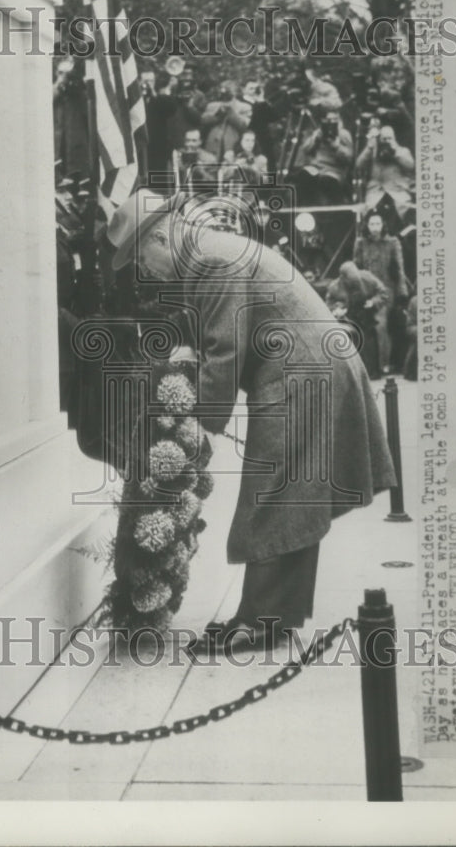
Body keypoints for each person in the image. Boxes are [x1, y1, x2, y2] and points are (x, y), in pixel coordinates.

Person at [106, 190, 396, 653]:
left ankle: (260, 621)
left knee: (274, 493)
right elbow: (221, 340)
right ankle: (273, 617)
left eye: (141, 256)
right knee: (291, 495)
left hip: (303, 371)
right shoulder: (205, 252)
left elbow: (225, 351)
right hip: (308, 365)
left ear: (160, 236)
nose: (145, 270)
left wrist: (194, 428)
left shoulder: (207, 261)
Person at [353, 213, 409, 374]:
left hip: (386, 291)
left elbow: (399, 268)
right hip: (366, 291)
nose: (375, 227)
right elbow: (356, 267)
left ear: (383, 225)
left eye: (378, 223)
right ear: (367, 226)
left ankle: (383, 364)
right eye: (372, 224)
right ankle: (368, 365)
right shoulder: (361, 243)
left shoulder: (392, 242)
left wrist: (402, 294)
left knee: (381, 326)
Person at [325, 261, 389, 380]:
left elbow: (383, 293)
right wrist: (336, 310)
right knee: (351, 345)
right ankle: (353, 375)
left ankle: (374, 371)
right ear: (343, 278)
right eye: (352, 282)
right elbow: (328, 305)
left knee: (371, 343)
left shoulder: (368, 278)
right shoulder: (334, 287)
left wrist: (373, 302)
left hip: (367, 315)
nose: (355, 284)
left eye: (356, 281)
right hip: (348, 318)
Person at [293, 107, 354, 206]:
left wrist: (336, 147)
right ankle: (307, 206)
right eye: (329, 120)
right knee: (304, 175)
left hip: (334, 170)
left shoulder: (344, 134)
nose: (331, 122)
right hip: (317, 167)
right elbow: (305, 149)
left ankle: (334, 210)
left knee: (328, 181)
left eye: (335, 119)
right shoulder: (319, 132)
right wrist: (315, 138)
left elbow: (349, 158)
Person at [356, 122, 416, 219]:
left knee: (406, 211)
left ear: (395, 139)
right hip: (376, 192)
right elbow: (358, 165)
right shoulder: (373, 152)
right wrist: (369, 148)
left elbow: (411, 166)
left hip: (398, 191)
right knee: (369, 214)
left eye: (389, 138)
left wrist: (395, 152)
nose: (387, 141)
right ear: (379, 140)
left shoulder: (402, 151)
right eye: (384, 139)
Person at [200, 81, 253, 161]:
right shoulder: (212, 105)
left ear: (235, 93)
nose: (225, 97)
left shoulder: (244, 107)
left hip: (233, 145)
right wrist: (218, 115)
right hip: (212, 145)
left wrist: (231, 113)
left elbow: (245, 126)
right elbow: (203, 121)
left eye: (229, 93)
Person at [145, 70, 179, 178]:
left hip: (157, 149)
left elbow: (170, 108)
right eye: (145, 81)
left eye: (151, 81)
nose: (148, 84)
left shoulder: (158, 99)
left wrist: (168, 88)